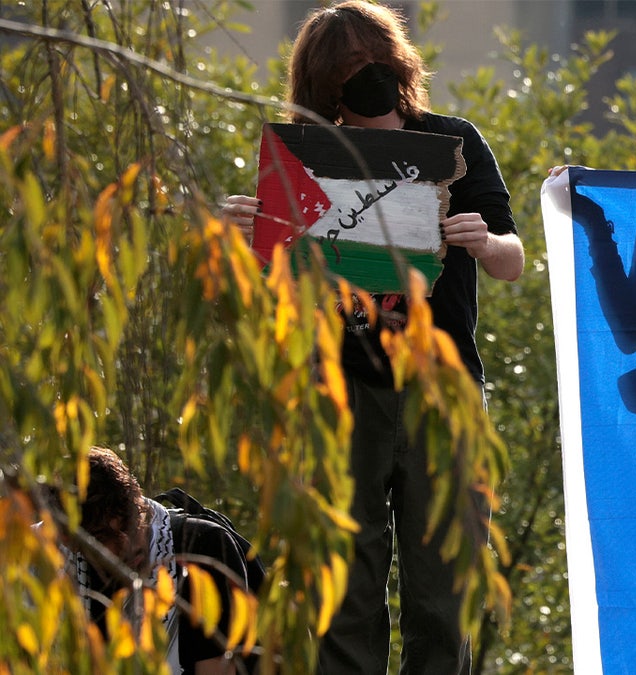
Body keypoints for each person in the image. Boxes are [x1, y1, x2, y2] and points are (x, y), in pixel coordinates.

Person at [224, 2, 523, 673]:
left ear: (401, 63)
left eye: (377, 60)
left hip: (439, 394)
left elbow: (513, 261)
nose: (369, 78)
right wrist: (238, 238)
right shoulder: (306, 156)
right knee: (344, 600)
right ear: (322, 84)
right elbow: (273, 288)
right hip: (337, 394)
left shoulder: (454, 140)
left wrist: (486, 241)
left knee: (445, 597)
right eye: (349, 68)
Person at [60, 447, 252, 675]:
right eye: (104, 537)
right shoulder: (63, 567)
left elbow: (217, 670)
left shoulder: (204, 548)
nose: (128, 544)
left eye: (128, 522)